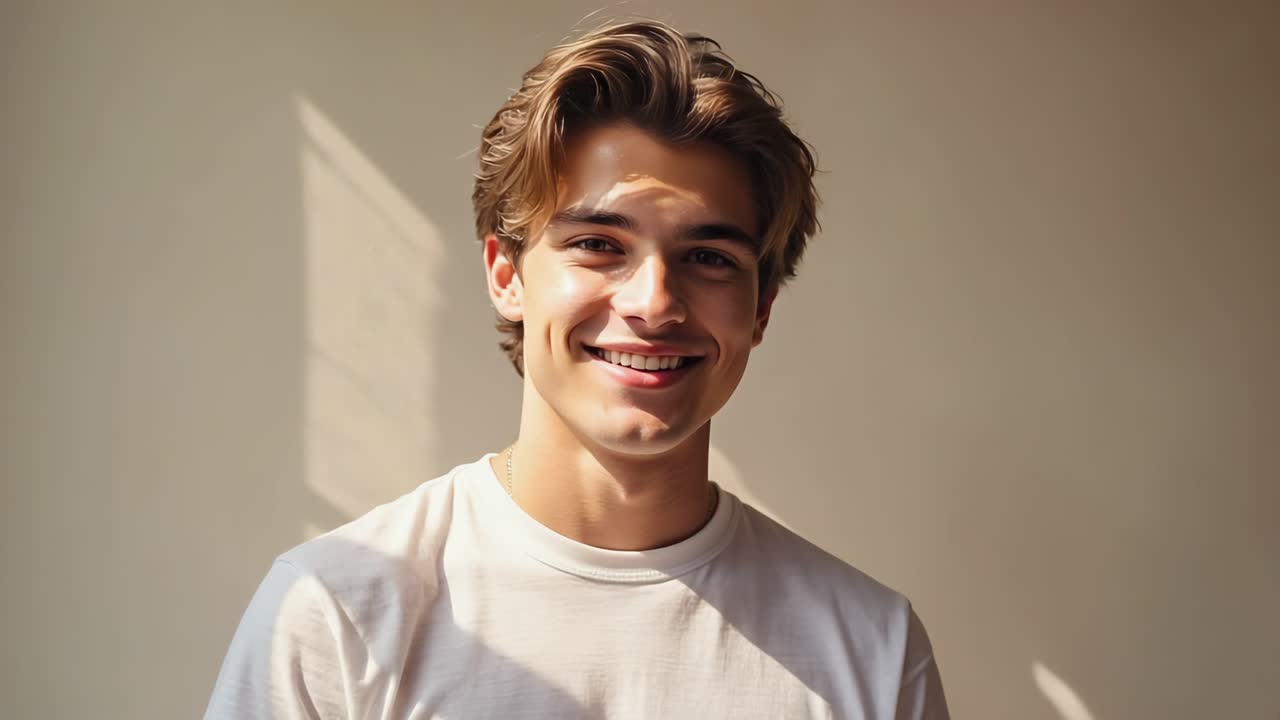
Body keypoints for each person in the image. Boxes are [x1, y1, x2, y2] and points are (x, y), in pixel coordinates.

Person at [205, 19, 949, 719]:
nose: (655, 303)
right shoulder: (336, 612)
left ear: (761, 310)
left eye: (710, 258)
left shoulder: (870, 650)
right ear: (507, 274)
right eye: (598, 244)